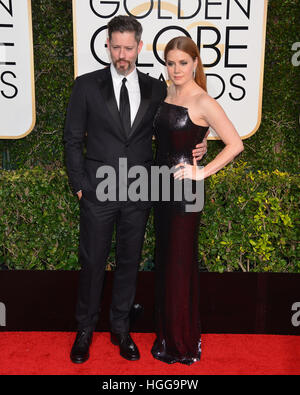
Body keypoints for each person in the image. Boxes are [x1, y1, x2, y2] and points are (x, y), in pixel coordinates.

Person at [64, 16, 207, 364]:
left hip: (139, 192)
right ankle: (84, 331)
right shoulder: (86, 85)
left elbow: (187, 117)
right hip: (97, 192)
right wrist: (81, 187)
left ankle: (121, 328)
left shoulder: (157, 89)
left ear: (140, 47)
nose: (122, 54)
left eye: (129, 47)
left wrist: (199, 146)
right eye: (117, 47)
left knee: (129, 263)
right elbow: (71, 140)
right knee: (93, 261)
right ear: (108, 46)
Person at [151, 36, 244, 365]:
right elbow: (177, 135)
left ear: (195, 63)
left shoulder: (203, 100)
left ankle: (182, 343)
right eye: (171, 62)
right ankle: (167, 334)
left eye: (183, 63)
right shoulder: (166, 93)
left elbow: (235, 144)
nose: (176, 69)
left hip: (185, 194)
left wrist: (202, 172)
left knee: (179, 264)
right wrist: (200, 142)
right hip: (160, 188)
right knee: (166, 262)